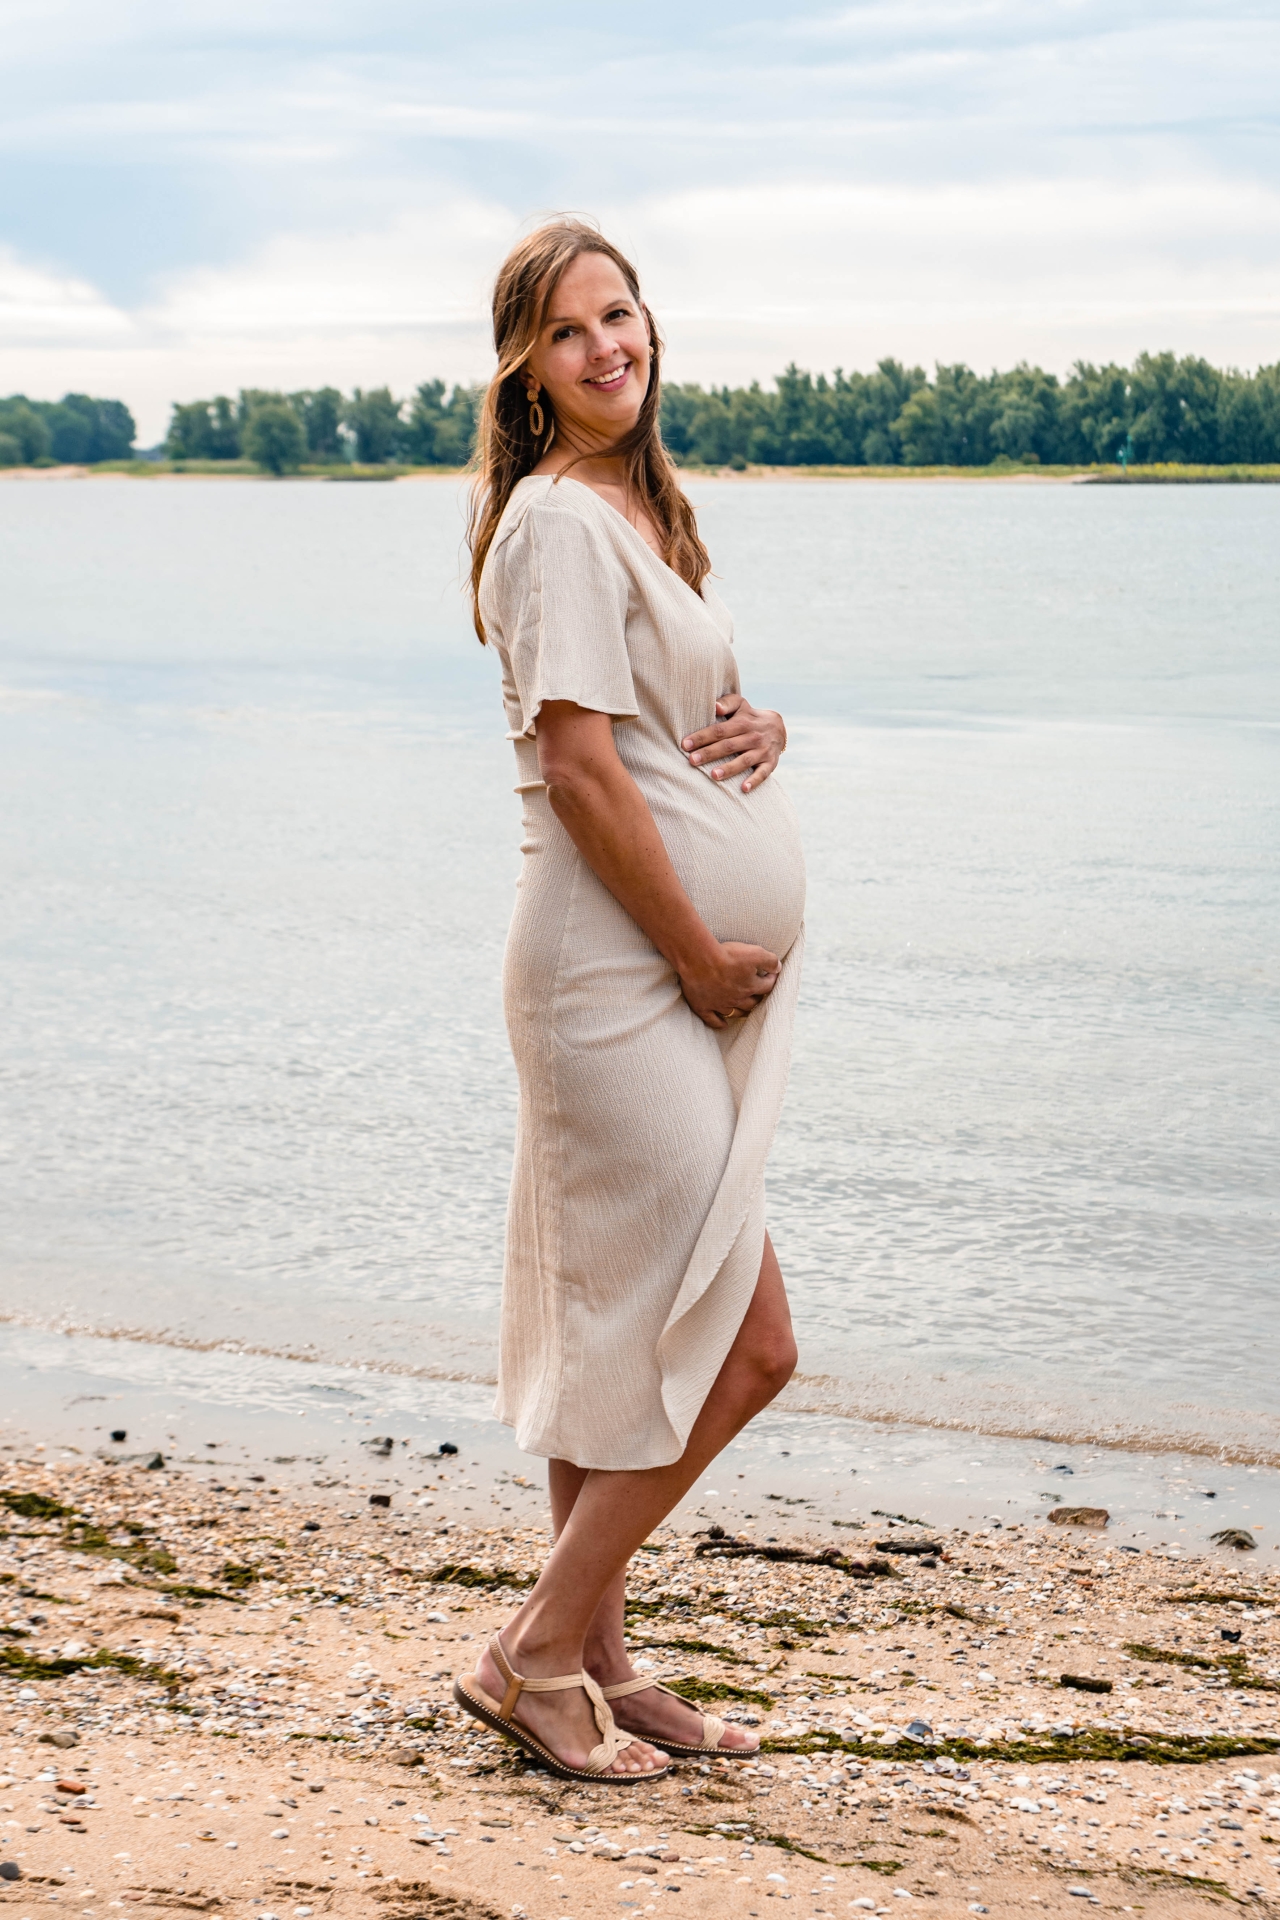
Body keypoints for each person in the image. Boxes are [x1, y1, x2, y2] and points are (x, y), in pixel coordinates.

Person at [455, 217, 806, 1783]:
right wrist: (696, 954)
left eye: (625, 314)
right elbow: (584, 769)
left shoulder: (637, 512)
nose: (611, 344)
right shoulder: (551, 522)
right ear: (527, 370)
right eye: (571, 329)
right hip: (614, 979)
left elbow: (661, 729)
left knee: (620, 1337)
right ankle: (531, 1652)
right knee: (743, 1341)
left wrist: (759, 729)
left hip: (659, 973)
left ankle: (595, 1671)